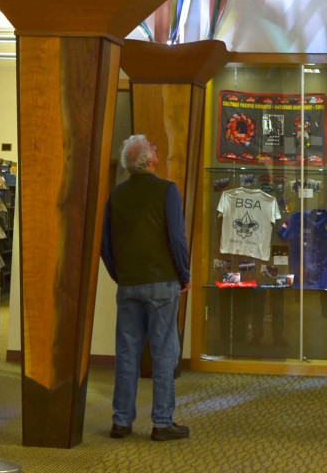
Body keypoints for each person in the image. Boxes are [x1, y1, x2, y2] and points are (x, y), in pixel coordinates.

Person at [100, 133, 191, 441]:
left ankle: (121, 422)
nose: (156, 149)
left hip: (128, 285)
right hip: (163, 284)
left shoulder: (116, 195)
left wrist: (119, 275)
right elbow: (177, 238)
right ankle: (162, 422)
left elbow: (105, 244)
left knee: (126, 354)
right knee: (165, 353)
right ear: (149, 160)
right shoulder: (167, 190)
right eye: (153, 147)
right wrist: (185, 273)